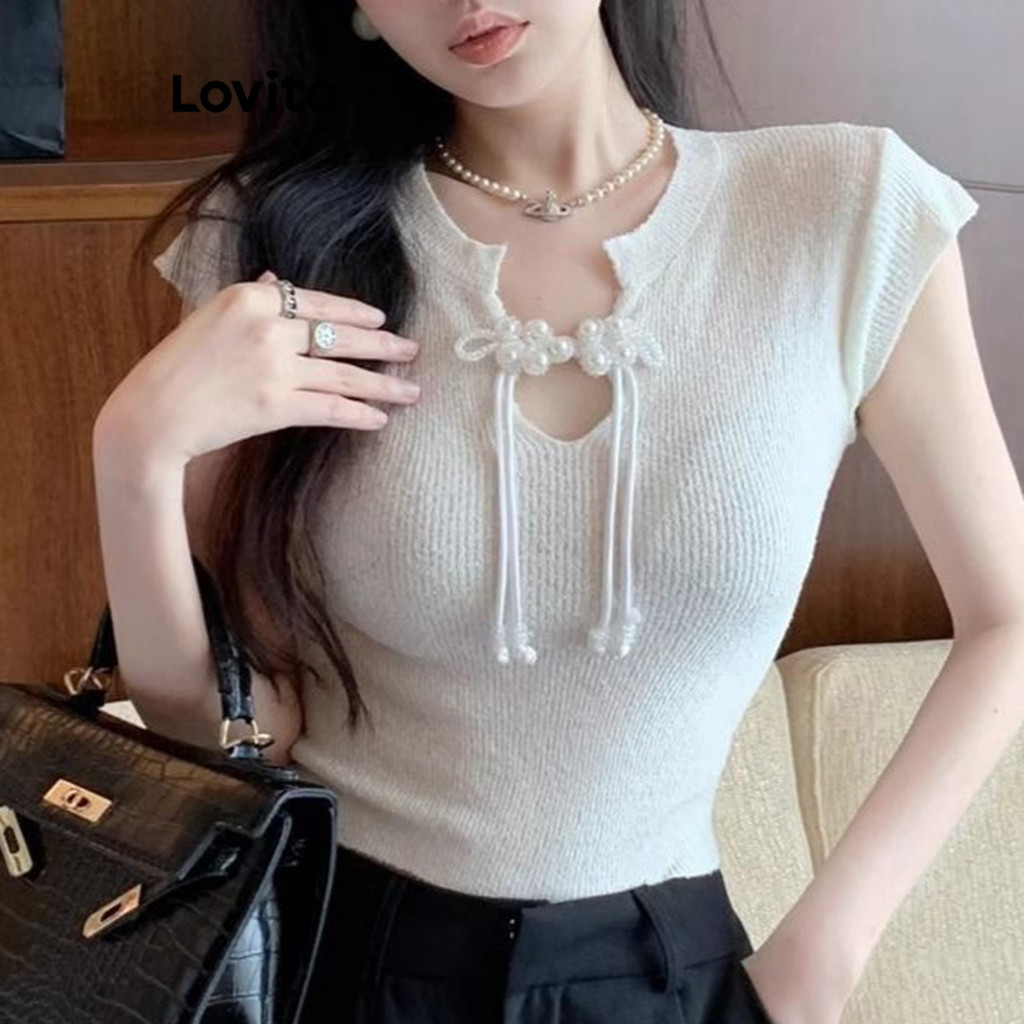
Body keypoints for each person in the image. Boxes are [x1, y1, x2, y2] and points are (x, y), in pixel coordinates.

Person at [92, 2, 1007, 1023]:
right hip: (345, 961)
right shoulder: (281, 243)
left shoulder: (844, 208)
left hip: (671, 971)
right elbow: (240, 730)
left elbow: (1006, 617)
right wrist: (133, 457)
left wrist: (822, 955)